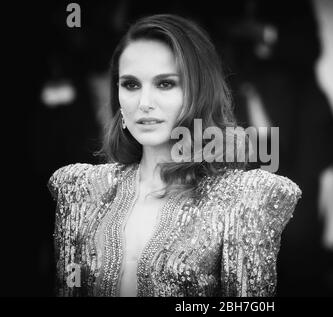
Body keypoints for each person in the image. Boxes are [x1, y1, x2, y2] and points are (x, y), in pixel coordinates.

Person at [48, 14, 301, 297]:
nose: (144, 103)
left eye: (165, 84)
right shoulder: (80, 189)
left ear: (198, 94)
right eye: (131, 84)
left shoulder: (242, 199)